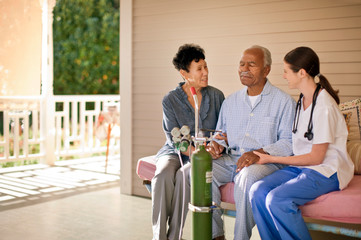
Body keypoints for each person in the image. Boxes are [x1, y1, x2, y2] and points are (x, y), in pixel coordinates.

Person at [249, 46, 354, 240]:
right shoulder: (302, 100)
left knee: (277, 199)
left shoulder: (324, 106)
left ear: (302, 73)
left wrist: (270, 158)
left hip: (326, 171)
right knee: (257, 191)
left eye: (287, 71)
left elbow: (316, 158)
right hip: (303, 167)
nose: (284, 76)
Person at [207, 45, 296, 240]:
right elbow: (220, 134)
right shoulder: (230, 102)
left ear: (266, 70)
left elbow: (289, 143)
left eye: (252, 64)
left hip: (266, 163)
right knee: (200, 171)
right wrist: (215, 145)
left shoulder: (284, 102)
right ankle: (216, 235)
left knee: (246, 176)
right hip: (232, 159)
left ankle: (241, 237)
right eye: (241, 64)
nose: (244, 68)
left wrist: (258, 152)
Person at [152, 43, 225, 240]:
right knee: (163, 174)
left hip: (204, 154)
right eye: (199, 69)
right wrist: (195, 152)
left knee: (186, 175)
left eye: (206, 67)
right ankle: (159, 237)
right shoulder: (170, 100)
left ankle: (174, 235)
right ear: (185, 73)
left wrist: (217, 145)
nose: (205, 72)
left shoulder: (216, 96)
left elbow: (222, 130)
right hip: (175, 151)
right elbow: (173, 138)